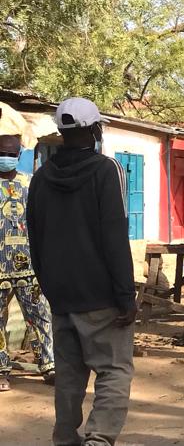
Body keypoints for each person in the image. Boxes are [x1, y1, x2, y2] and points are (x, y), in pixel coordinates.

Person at [27, 97, 137, 445]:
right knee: (114, 369)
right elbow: (115, 236)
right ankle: (100, 437)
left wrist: (50, 288)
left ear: (61, 132)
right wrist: (125, 295)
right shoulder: (107, 171)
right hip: (102, 294)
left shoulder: (41, 178)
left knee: (70, 374)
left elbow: (35, 237)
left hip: (61, 295)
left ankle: (65, 436)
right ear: (94, 129)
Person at [0, 134, 55, 393]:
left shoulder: (30, 185)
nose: (7, 158)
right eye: (3, 153)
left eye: (12, 153)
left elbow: (44, 222)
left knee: (41, 315)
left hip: (29, 266)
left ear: (19, 154)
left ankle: (49, 365)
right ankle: (1, 370)